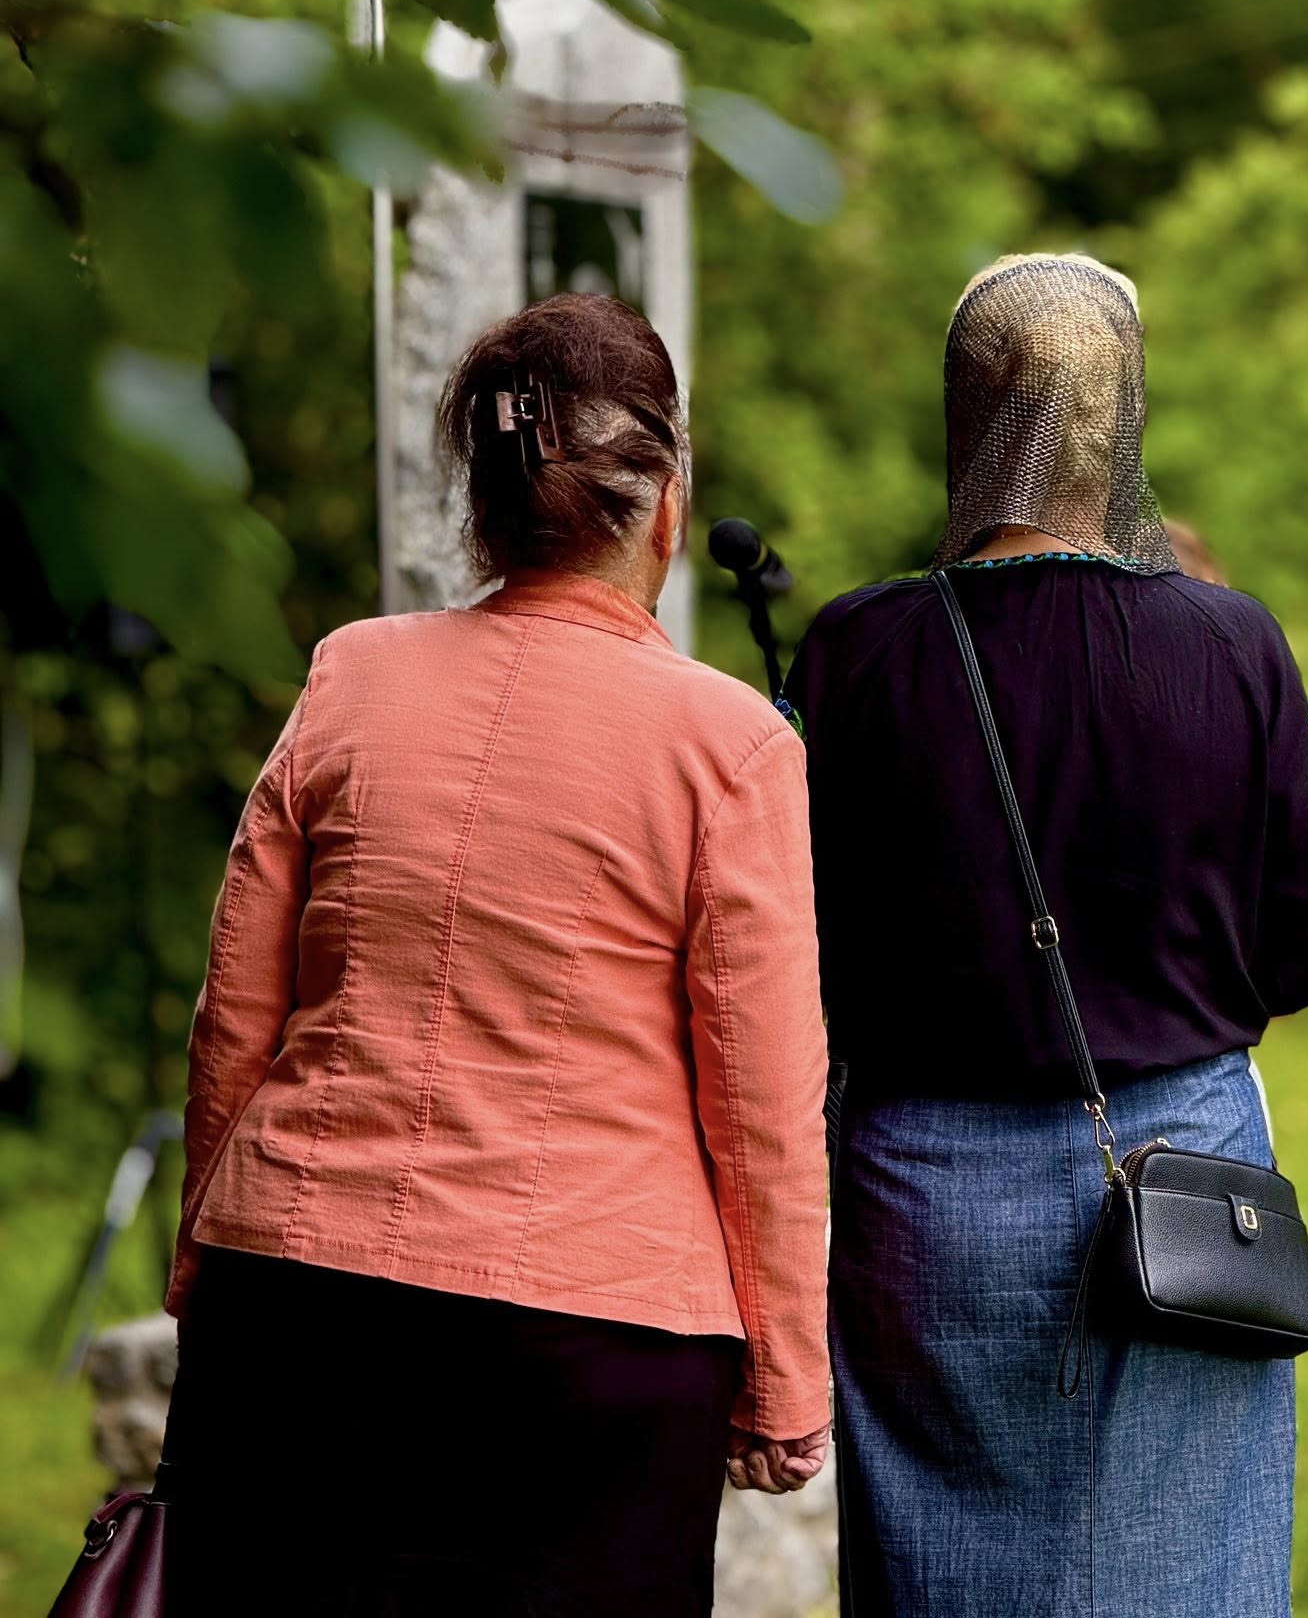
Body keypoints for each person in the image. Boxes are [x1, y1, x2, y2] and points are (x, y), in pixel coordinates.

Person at [163, 294, 831, 1618]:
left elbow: (236, 1015)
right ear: (666, 501)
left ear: (481, 498)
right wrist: (786, 1377)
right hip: (595, 1350)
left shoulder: (351, 674)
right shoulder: (731, 743)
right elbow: (761, 1103)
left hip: (295, 1308)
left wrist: (210, 1257)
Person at [782, 253, 1308, 1618]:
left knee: (939, 1571)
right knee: (1187, 1568)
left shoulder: (857, 653)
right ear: (1124, 423)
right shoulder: (1233, 645)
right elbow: (1306, 948)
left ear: (964, 424)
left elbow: (790, 940)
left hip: (922, 1187)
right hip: (1188, 1171)